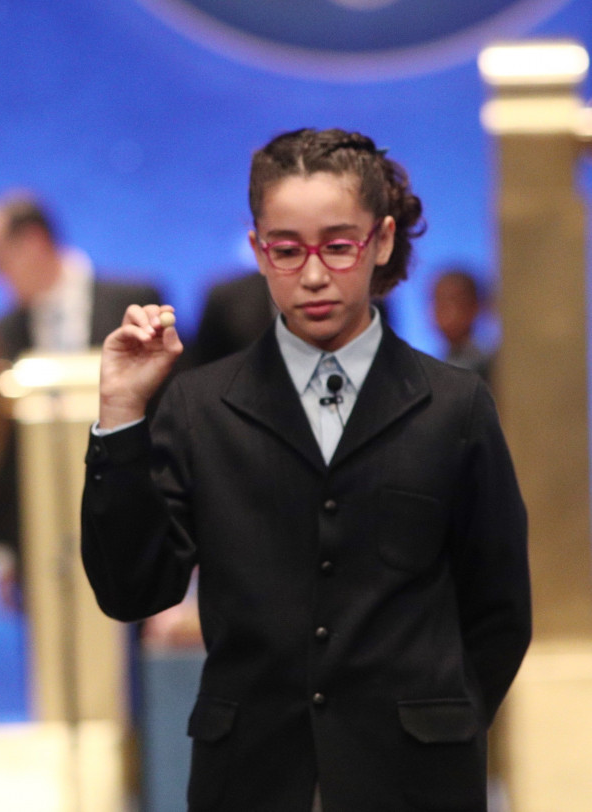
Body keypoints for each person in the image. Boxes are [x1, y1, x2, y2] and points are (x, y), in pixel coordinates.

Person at [81, 128, 530, 811]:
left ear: (379, 242)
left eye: (337, 244)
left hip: (416, 779)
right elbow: (130, 590)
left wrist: (444, 720)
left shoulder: (453, 404)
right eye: (287, 250)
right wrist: (120, 412)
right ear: (259, 250)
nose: (313, 275)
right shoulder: (200, 408)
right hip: (250, 775)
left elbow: (498, 605)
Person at [0, 191, 162, 598]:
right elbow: (5, 450)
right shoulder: (2, 332)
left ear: (35, 242)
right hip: (42, 541)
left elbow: (170, 417)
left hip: (134, 523)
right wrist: (5, 547)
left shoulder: (134, 300)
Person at [432, 267, 495, 384]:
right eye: (439, 302)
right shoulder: (433, 369)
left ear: (474, 306)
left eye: (452, 301)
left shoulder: (489, 368)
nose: (444, 312)